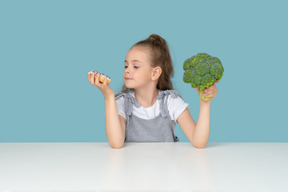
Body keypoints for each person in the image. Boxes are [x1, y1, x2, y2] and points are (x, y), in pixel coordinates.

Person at [87, 34, 218, 149]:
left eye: (136, 66)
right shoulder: (123, 102)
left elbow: (198, 141)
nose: (127, 70)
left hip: (166, 171)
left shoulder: (170, 102)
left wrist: (205, 103)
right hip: (130, 171)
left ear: (155, 73)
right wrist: (108, 96)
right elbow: (116, 143)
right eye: (126, 65)